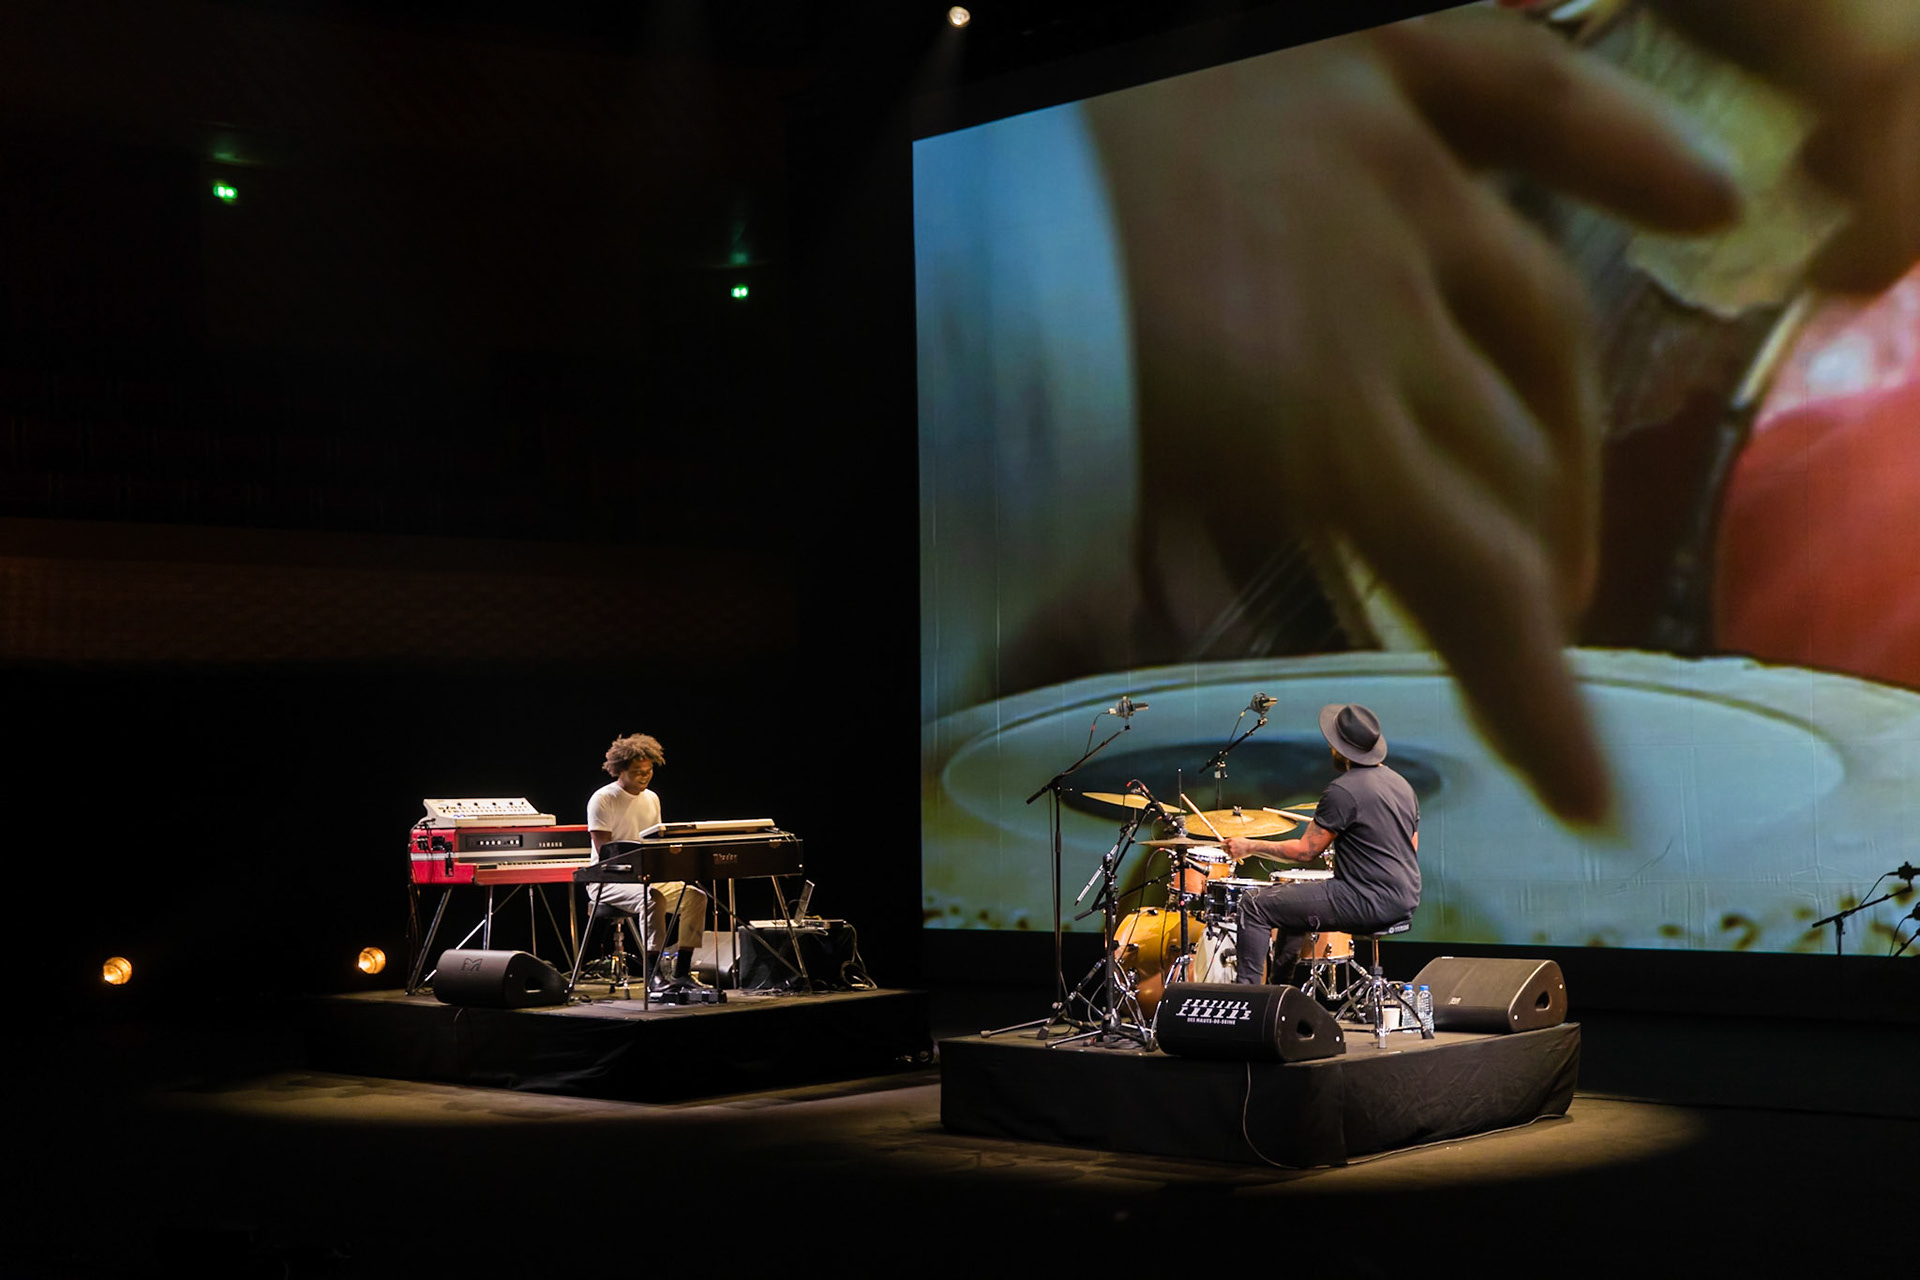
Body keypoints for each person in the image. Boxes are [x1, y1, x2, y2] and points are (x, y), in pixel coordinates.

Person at [1221, 704, 1419, 985]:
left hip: (1364, 899)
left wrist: (1250, 846)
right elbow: (1411, 846)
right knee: (1291, 904)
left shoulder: (1343, 790)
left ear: (1340, 749)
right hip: (1406, 897)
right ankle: (1280, 994)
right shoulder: (1402, 785)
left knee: (1253, 905)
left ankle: (1248, 1004)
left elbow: (1305, 852)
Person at [586, 732, 709, 990]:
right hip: (608, 880)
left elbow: (655, 843)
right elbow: (607, 854)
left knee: (696, 897)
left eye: (648, 770)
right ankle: (654, 975)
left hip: (647, 877)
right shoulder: (603, 798)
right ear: (620, 770)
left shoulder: (652, 798)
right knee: (652, 898)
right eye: (637, 772)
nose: (644, 776)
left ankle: (682, 972)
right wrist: (642, 872)